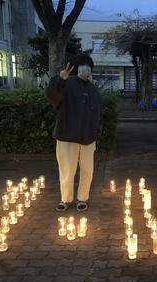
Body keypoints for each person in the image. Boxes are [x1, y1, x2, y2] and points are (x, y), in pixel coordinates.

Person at [45, 53, 101, 212]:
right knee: (67, 170)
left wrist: (97, 129)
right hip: (66, 135)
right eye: (83, 65)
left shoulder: (92, 88)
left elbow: (97, 111)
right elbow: (52, 96)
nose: (86, 68)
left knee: (87, 171)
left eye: (89, 65)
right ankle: (66, 199)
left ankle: (82, 198)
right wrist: (60, 80)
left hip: (88, 137)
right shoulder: (66, 84)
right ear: (75, 68)